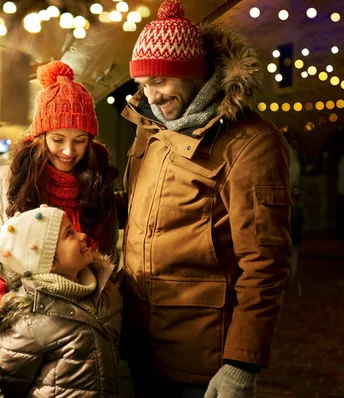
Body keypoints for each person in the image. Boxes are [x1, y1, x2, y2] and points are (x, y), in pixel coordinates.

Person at [119, 1, 292, 397]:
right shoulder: (156, 129)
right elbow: (145, 210)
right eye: (142, 85)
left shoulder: (251, 144)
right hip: (143, 343)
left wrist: (241, 363)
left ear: (193, 73)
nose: (151, 97)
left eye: (159, 82)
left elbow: (265, 264)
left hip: (202, 358)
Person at [0, 60, 119, 326]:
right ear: (40, 136)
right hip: (22, 321)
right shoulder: (6, 182)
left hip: (87, 321)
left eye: (80, 141)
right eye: (58, 140)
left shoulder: (99, 185)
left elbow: (108, 257)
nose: (69, 152)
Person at [0, 206, 122, 397]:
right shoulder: (28, 320)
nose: (82, 235)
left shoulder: (104, 289)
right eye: (69, 234)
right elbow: (6, 386)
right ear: (49, 262)